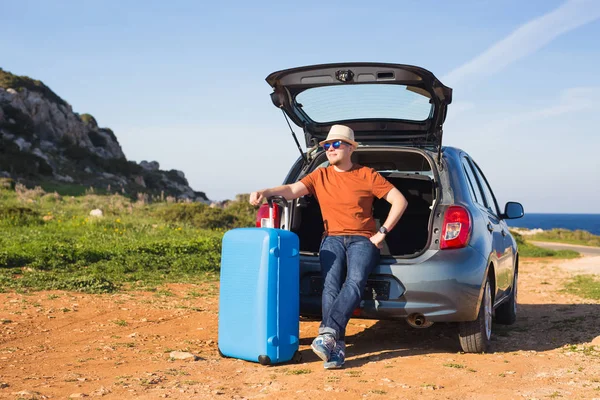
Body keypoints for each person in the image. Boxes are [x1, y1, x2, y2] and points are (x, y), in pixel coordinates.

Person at [249, 124, 408, 369]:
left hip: (363, 239)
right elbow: (292, 190)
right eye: (326, 145)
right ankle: (336, 347)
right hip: (331, 237)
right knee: (330, 286)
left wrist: (381, 233)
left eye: (336, 144)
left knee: (355, 281)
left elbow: (399, 200)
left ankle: (328, 333)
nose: (329, 149)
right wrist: (266, 191)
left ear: (350, 148)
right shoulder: (320, 175)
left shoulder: (367, 174)